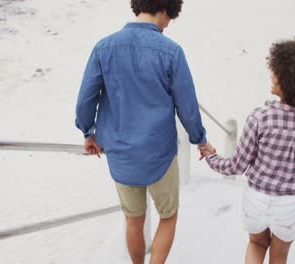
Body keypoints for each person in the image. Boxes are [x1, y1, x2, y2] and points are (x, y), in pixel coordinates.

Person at [75, 0, 208, 263]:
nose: (169, 23)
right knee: (168, 217)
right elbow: (187, 105)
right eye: (171, 17)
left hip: (121, 152)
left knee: (133, 220)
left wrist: (88, 133)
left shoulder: (104, 47)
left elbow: (85, 100)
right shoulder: (171, 52)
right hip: (159, 153)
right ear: (165, 10)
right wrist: (200, 139)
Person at [200, 38, 295, 264]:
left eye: (278, 73)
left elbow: (236, 166)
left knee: (256, 244)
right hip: (289, 207)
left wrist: (210, 157)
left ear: (290, 82)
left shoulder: (260, 117)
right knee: (279, 256)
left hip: (256, 200)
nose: (272, 75)